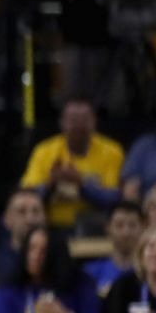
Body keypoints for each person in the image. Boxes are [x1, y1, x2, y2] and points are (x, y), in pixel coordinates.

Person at [22, 98, 124, 231]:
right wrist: (50, 184)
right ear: (62, 123)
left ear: (94, 122)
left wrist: (81, 184)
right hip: (51, 227)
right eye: (73, 120)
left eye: (84, 120)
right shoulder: (44, 151)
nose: (78, 126)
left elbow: (114, 199)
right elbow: (27, 195)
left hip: (97, 228)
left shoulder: (112, 152)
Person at [84, 201, 145, 295]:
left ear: (142, 228)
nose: (126, 233)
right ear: (108, 229)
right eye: (119, 225)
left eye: (132, 225)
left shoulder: (149, 273)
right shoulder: (90, 273)